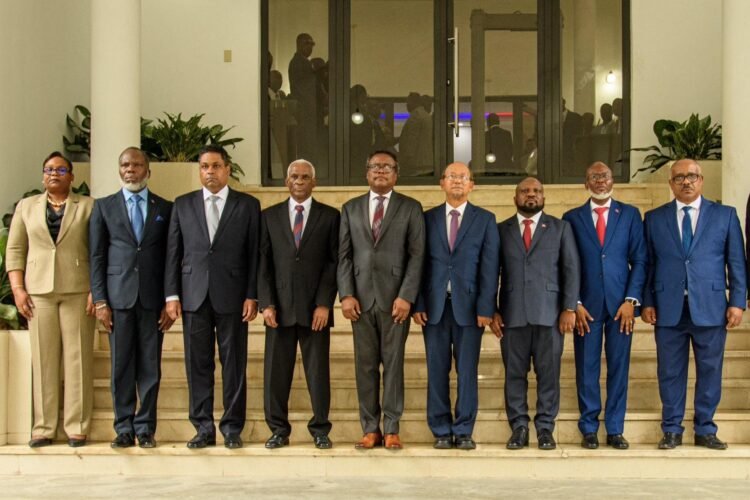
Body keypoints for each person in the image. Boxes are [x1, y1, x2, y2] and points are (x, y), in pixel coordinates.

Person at [642, 159, 746, 450]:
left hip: (711, 306)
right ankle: (671, 430)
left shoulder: (725, 215)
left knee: (710, 370)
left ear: (701, 180)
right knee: (669, 372)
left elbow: (737, 262)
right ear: (670, 183)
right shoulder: (654, 218)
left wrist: (737, 302)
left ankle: (705, 429)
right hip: (668, 307)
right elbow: (648, 264)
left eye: (691, 176)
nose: (686, 182)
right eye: (679, 178)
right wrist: (647, 300)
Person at [164, 145, 261, 450]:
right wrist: (171, 295)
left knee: (233, 364)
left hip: (233, 295)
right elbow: (173, 253)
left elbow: (254, 254)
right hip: (193, 296)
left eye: (216, 166)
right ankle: (203, 428)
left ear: (227, 169)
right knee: (198, 365)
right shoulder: (183, 204)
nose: (210, 172)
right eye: (204, 166)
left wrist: (252, 295)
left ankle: (232, 428)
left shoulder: (247, 205)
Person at [6, 151, 96, 448]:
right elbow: (15, 249)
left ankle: (76, 426)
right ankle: (43, 427)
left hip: (78, 289)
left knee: (77, 358)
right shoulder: (26, 207)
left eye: (60, 170)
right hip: (37, 292)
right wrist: (18, 289)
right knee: (44, 359)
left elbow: (99, 250)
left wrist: (96, 290)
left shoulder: (88, 206)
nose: (53, 174)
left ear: (72, 176)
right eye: (48, 169)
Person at [338, 150, 425, 450]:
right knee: (364, 366)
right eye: (375, 166)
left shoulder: (411, 207)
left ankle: (392, 428)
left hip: (395, 301)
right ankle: (369, 428)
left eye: (387, 167)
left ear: (396, 174)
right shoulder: (350, 208)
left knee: (393, 364)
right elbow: (344, 256)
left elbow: (417, 256)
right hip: (360, 300)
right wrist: (346, 294)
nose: (380, 171)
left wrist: (406, 296)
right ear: (367, 173)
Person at [89, 147, 174, 449]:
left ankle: (146, 428)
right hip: (118, 300)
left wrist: (169, 300)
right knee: (121, 367)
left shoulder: (165, 207)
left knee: (150, 367)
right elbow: (97, 256)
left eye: (137, 165)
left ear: (148, 171)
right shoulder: (103, 207)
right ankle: (124, 427)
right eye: (125, 165)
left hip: (152, 300)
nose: (130, 170)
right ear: (119, 170)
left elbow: (171, 257)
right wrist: (100, 300)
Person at [413, 163, 499, 450]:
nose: (458, 181)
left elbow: (490, 267)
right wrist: (419, 302)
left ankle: (463, 430)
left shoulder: (485, 219)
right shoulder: (427, 219)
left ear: (472, 185)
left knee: (467, 371)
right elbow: (419, 264)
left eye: (463, 177)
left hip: (471, 309)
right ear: (442, 183)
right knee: (436, 370)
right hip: (434, 308)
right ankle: (440, 429)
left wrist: (486, 307)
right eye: (452, 176)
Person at [562, 162, 647, 450]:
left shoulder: (630, 215)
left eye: (605, 176)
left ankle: (615, 429)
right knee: (586, 368)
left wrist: (631, 300)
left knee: (619, 368)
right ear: (586, 183)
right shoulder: (571, 218)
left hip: (621, 307)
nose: (600, 181)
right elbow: (566, 263)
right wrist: (574, 302)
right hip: (586, 308)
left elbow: (640, 260)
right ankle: (589, 428)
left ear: (612, 181)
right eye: (594, 177)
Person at [493, 177, 580, 451]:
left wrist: (569, 308)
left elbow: (571, 269)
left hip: (550, 314)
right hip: (512, 315)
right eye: (525, 191)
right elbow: (490, 272)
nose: (531, 195)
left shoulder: (560, 228)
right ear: (515, 198)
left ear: (543, 197)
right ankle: (518, 427)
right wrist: (491, 310)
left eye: (536, 191)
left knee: (549, 374)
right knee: (514, 375)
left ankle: (545, 428)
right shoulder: (501, 230)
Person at [258, 159, 340, 450]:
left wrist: (324, 303)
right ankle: (278, 430)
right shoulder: (269, 216)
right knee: (275, 375)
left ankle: (320, 429)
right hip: (278, 309)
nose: (300, 181)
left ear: (314, 182)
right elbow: (263, 263)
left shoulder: (330, 217)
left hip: (315, 310)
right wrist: (266, 303)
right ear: (287, 181)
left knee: (318, 374)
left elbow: (333, 263)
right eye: (294, 176)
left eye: (305, 177)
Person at [288, 33, 318, 163]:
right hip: (304, 110)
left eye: (312, 44)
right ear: (299, 45)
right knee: (306, 146)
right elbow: (304, 89)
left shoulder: (304, 62)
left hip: (307, 110)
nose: (310, 47)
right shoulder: (298, 63)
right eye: (307, 44)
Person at [398, 92, 433, 176]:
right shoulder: (425, 115)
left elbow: (411, 140)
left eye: (408, 103)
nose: (407, 105)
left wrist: (407, 159)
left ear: (414, 102)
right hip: (425, 163)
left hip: (417, 165)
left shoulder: (416, 116)